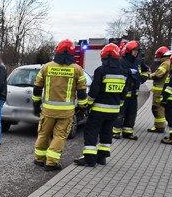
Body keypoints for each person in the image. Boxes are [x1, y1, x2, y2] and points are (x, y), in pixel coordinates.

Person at [31, 39, 88, 170]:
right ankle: (51, 163)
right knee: (60, 136)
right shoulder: (77, 70)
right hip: (66, 112)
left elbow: (37, 87)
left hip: (47, 111)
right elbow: (82, 92)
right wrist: (83, 108)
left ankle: (39, 159)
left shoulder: (46, 67)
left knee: (43, 134)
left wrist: (35, 104)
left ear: (57, 50)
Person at [74, 43, 127, 167]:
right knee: (107, 132)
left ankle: (89, 158)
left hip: (99, 109)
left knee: (91, 131)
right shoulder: (123, 72)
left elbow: (94, 90)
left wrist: (88, 104)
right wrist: (119, 105)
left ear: (103, 57)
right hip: (114, 110)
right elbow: (124, 92)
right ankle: (102, 157)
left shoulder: (101, 70)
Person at [113, 40, 148, 140]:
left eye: (137, 50)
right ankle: (115, 132)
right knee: (120, 113)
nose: (136, 52)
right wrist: (128, 72)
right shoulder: (121, 61)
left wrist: (142, 80)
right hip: (123, 93)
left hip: (134, 93)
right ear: (129, 51)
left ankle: (128, 132)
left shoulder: (138, 62)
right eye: (134, 50)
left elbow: (146, 71)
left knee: (131, 114)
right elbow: (117, 72)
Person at [146, 47, 171, 133]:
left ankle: (159, 127)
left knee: (157, 108)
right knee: (159, 108)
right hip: (162, 90)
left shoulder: (165, 63)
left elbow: (158, 75)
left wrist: (149, 75)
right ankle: (159, 126)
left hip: (159, 90)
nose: (157, 59)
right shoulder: (169, 62)